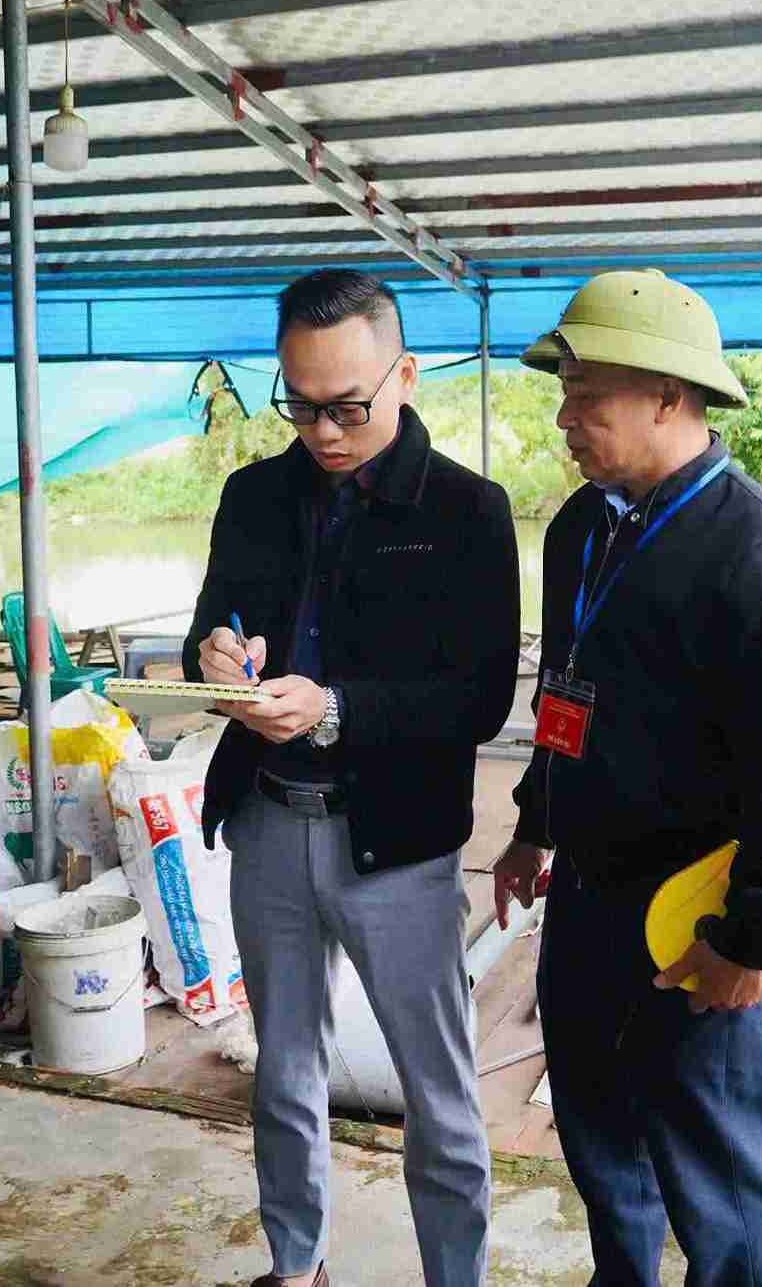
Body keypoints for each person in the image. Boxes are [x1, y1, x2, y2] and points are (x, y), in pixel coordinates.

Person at [492, 268, 762, 1287]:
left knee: (718, 1176)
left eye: (585, 396)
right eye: (563, 393)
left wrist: (750, 936)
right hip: (588, 896)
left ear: (668, 398)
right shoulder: (579, 531)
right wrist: (530, 823)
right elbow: (564, 693)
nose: (563, 417)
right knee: (600, 1141)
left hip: (694, 912)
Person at [183, 268, 519, 1287]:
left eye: (346, 407)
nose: (323, 432)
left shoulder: (465, 511)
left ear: (404, 375)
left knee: (439, 1092)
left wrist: (332, 709)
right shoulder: (253, 495)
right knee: (283, 1071)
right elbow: (215, 619)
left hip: (397, 846)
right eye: (300, 405)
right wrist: (219, 659)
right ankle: (298, 1267)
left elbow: (476, 698)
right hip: (269, 822)